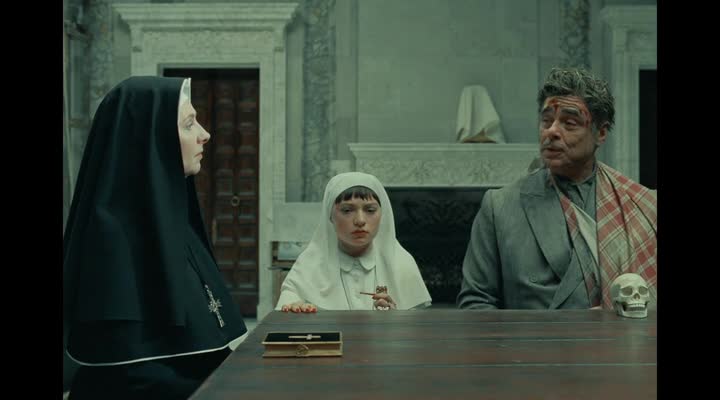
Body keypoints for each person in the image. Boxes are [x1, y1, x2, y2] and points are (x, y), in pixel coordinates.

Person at [63, 76, 247, 399]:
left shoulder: (176, 225)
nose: (205, 134)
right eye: (189, 124)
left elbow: (199, 353)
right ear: (148, 139)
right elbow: (126, 370)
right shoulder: (111, 238)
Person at [457, 67, 657, 310]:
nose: (551, 131)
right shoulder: (500, 207)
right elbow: (476, 304)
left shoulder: (645, 206)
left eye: (569, 123)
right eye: (546, 120)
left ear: (601, 133)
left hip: (627, 336)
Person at [276, 172, 432, 312]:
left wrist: (394, 318)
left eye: (370, 210)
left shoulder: (401, 264)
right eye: (347, 210)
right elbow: (287, 310)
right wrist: (296, 310)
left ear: (382, 214)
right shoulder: (309, 266)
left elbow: (416, 328)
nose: (360, 220)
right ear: (330, 216)